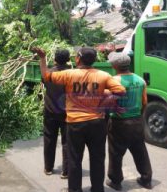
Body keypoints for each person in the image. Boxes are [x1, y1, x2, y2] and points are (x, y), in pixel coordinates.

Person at [31, 46, 126, 192]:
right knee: (98, 159)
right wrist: (104, 101)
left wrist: (43, 58)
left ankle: (74, 189)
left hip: (75, 124)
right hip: (97, 123)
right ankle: (97, 189)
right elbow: (120, 91)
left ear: (78, 59)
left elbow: (46, 76)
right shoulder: (103, 75)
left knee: (75, 159)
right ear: (94, 60)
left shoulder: (69, 74)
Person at [106, 52, 152, 191]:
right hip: (137, 120)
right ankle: (146, 179)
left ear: (114, 65)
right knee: (140, 150)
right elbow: (144, 102)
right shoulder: (140, 80)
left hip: (119, 122)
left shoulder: (113, 81)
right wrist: (139, 116)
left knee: (115, 153)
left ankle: (116, 181)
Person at [43, 49, 70, 179]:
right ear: (68, 59)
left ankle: (48, 168)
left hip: (50, 110)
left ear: (54, 59)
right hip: (67, 111)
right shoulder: (72, 74)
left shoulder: (48, 73)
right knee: (67, 140)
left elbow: (44, 80)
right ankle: (66, 171)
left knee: (49, 138)